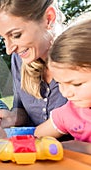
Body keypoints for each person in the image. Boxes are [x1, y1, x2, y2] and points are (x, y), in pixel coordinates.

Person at [0, 0, 70, 140]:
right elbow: (22, 109)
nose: (9, 50)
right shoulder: (19, 58)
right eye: (4, 39)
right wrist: (10, 118)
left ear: (49, 18)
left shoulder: (81, 58)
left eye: (16, 35)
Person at [34, 20, 91, 154]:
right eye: (59, 83)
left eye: (76, 84)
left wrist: (78, 146)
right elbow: (38, 135)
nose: (65, 93)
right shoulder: (70, 112)